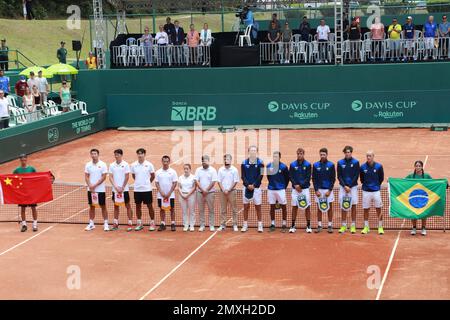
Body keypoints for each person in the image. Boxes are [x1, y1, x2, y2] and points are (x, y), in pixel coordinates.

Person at [130, 148, 156, 231]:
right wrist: (138, 182)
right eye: (138, 154)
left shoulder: (149, 164)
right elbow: (134, 176)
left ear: (144, 154)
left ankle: (152, 223)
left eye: (141, 153)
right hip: (137, 189)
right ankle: (139, 223)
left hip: (147, 189)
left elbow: (153, 176)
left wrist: (147, 183)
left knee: (150, 206)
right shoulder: (133, 165)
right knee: (138, 206)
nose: (140, 155)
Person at [360, 150, 385, 235]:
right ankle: (366, 227)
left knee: (379, 209)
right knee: (366, 209)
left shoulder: (378, 166)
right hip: (366, 191)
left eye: (370, 156)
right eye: (367, 156)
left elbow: (381, 178)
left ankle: (380, 227)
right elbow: (362, 179)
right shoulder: (362, 167)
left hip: (376, 191)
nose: (368, 157)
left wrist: (376, 185)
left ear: (373, 156)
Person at [84, 149, 109, 231]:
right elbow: (86, 176)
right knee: (91, 206)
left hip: (100, 190)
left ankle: (106, 223)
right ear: (90, 155)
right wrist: (90, 185)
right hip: (90, 189)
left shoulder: (103, 164)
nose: (93, 155)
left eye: (95, 154)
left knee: (103, 206)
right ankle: (91, 223)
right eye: (92, 154)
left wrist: (94, 185)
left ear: (98, 155)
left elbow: (104, 177)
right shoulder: (88, 165)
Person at [109, 149, 133, 231]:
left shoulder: (126, 164)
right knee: (116, 206)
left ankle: (130, 223)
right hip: (115, 190)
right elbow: (110, 177)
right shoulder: (112, 165)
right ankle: (115, 223)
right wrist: (116, 187)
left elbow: (127, 176)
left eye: (118, 155)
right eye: (115, 154)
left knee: (128, 205)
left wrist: (122, 187)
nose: (116, 156)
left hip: (124, 189)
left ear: (121, 155)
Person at [337, 146, 360, 234]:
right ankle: (343, 225)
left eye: (349, 152)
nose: (347, 153)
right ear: (344, 153)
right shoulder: (340, 162)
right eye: (346, 152)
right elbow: (339, 176)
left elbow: (356, 175)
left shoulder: (356, 162)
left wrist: (349, 186)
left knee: (353, 205)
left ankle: (353, 226)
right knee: (344, 205)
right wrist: (344, 186)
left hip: (352, 187)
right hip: (343, 188)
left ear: (351, 152)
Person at [241, 145, 264, 233]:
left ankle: (260, 225)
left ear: (256, 152)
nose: (253, 152)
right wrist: (248, 185)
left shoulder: (261, 163)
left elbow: (260, 176)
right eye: (251, 150)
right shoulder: (244, 163)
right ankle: (245, 225)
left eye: (254, 150)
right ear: (248, 152)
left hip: (256, 188)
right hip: (246, 188)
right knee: (246, 207)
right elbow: (243, 176)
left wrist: (254, 185)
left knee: (258, 206)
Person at [312, 148, 336, 233]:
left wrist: (329, 190)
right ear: (319, 155)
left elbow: (333, 179)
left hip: (327, 190)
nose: (322, 156)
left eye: (324, 154)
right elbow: (314, 179)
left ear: (327, 155)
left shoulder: (331, 165)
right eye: (321, 154)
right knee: (319, 208)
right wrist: (316, 190)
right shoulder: (315, 165)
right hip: (319, 190)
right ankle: (319, 226)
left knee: (329, 207)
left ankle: (330, 225)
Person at [405, 161, 432, 236]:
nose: (417, 167)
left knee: (424, 213)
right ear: (414, 167)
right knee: (413, 213)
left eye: (419, 166)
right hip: (414, 198)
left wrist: (443, 182)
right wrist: (391, 181)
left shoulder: (426, 176)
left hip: (423, 198)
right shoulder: (410, 176)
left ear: (422, 167)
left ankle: (423, 228)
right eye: (416, 166)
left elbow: (433, 183)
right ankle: (414, 228)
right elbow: (402, 182)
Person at [289, 148, 312, 233]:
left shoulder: (308, 164)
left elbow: (308, 177)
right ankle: (292, 225)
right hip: (295, 189)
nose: (299, 155)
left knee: (307, 207)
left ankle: (308, 226)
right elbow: (290, 176)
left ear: (303, 154)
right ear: (296, 154)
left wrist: (301, 186)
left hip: (305, 189)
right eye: (298, 153)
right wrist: (295, 185)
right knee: (294, 206)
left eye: (301, 153)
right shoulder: (292, 164)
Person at [13, 154, 38, 232]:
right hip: (22, 193)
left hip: (31, 193)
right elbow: (12, 179)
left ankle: (35, 224)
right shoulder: (17, 170)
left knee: (33, 208)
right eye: (22, 159)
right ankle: (24, 225)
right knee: (23, 209)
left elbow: (37, 178)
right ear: (20, 160)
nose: (23, 160)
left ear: (26, 159)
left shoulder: (32, 169)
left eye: (24, 159)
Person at [267, 151, 290, 233]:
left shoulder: (284, 167)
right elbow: (268, 177)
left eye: (277, 156)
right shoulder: (269, 166)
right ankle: (272, 224)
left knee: (284, 206)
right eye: (274, 156)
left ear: (280, 157)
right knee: (272, 206)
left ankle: (284, 224)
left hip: (281, 190)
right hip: (271, 189)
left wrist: (283, 187)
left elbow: (287, 178)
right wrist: (273, 185)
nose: (275, 158)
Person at [155, 156, 178, 232]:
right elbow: (157, 183)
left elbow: (175, 183)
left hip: (170, 195)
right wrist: (161, 192)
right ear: (162, 161)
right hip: (161, 195)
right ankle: (163, 224)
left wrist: (169, 193)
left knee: (172, 209)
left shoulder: (173, 172)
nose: (165, 163)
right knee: (162, 209)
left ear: (169, 162)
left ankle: (173, 224)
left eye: (167, 161)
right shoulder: (158, 172)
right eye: (164, 161)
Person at [195, 155, 218, 232]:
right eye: (203, 160)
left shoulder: (213, 170)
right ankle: (202, 225)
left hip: (210, 193)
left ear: (208, 161)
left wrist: (206, 190)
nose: (204, 162)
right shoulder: (198, 170)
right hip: (200, 193)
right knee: (201, 210)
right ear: (202, 161)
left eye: (206, 160)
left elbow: (213, 181)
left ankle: (211, 225)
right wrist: (202, 190)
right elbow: (197, 181)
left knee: (211, 209)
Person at [217, 154, 240, 232]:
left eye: (228, 159)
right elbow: (219, 181)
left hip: (232, 191)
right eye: (225, 159)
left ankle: (235, 224)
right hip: (222, 192)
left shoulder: (234, 170)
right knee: (223, 209)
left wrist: (229, 189)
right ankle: (222, 225)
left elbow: (235, 181)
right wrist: (223, 189)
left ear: (231, 160)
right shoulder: (220, 170)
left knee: (234, 209)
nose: (226, 160)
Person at [178, 164, 196, 232]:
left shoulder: (193, 177)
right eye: (184, 169)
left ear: (190, 169)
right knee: (184, 211)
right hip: (182, 196)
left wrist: (188, 194)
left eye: (187, 169)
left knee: (192, 211)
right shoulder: (180, 177)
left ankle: (191, 225)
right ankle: (185, 225)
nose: (186, 170)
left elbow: (194, 187)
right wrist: (182, 194)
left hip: (191, 196)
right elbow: (179, 187)